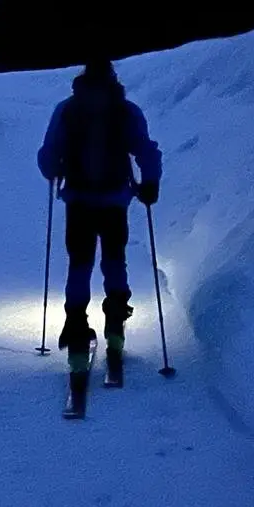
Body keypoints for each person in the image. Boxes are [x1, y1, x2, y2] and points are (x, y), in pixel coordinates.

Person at [37, 58, 162, 358]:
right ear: (113, 78)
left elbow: (48, 155)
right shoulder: (126, 110)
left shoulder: (67, 109)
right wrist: (150, 183)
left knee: (80, 263)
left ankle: (76, 325)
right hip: (114, 200)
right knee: (114, 260)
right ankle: (116, 325)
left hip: (78, 200)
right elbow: (145, 149)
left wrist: (54, 169)